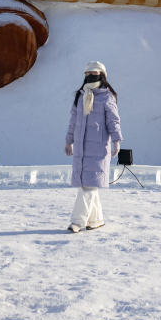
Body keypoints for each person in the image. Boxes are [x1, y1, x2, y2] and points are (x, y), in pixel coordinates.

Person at [64, 61, 122, 233]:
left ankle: (77, 222)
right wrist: (69, 141)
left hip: (98, 149)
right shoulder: (80, 96)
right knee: (90, 185)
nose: (91, 76)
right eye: (88, 73)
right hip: (81, 150)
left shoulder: (107, 96)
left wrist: (117, 140)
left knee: (88, 186)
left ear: (101, 75)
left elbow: (113, 120)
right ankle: (96, 220)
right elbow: (73, 121)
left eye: (94, 73)